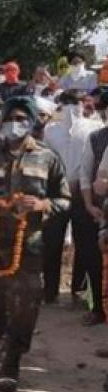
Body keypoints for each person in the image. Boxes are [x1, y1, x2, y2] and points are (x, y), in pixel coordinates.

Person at [0, 96, 70, 392]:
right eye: (10, 117)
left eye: (21, 118)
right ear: (2, 120)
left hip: (29, 244)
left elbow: (64, 199)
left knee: (26, 303)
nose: (15, 123)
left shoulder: (47, 157)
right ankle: (1, 333)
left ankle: (11, 361)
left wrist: (41, 204)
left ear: (31, 122)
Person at [42, 90, 103, 304]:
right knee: (52, 242)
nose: (73, 107)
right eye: (69, 102)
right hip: (57, 193)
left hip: (81, 192)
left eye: (76, 102)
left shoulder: (93, 128)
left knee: (84, 243)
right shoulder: (50, 130)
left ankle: (78, 288)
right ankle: (51, 291)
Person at [77, 87, 108, 325]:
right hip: (98, 211)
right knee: (94, 261)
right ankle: (98, 308)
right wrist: (89, 205)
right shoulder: (96, 138)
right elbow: (87, 175)